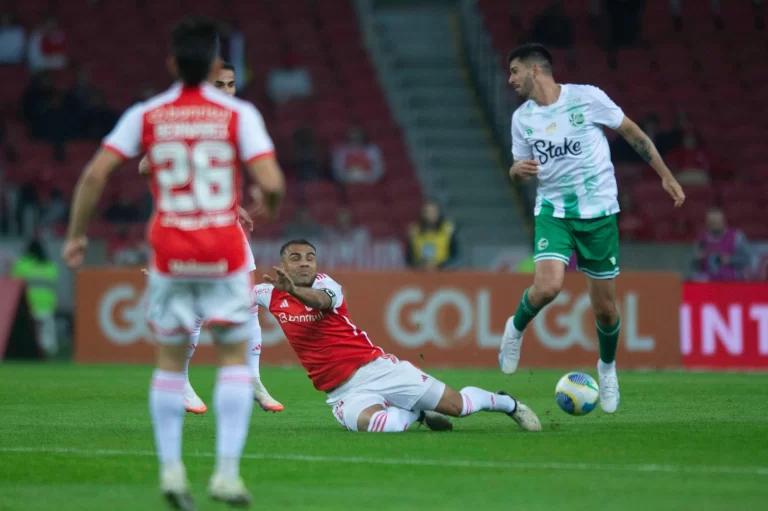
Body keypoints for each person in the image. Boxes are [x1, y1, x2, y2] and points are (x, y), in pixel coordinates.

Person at [61, 19, 286, 509]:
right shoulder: (238, 113)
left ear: (171, 64)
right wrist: (269, 202)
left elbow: (96, 174)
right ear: (213, 65)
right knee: (230, 359)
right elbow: (271, 180)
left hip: (170, 251)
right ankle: (226, 475)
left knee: (168, 362)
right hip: (222, 251)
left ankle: (170, 469)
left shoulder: (149, 113)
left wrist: (77, 236)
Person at [502, 43, 685, 414]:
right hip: (553, 211)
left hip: (599, 213)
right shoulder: (522, 118)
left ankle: (607, 368)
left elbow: (633, 134)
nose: (510, 80)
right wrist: (516, 171)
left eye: (515, 71)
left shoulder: (587, 98)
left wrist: (665, 176)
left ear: (535, 70)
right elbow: (518, 167)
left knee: (604, 309)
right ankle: (515, 329)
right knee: (549, 286)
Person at [255, 240, 542, 434]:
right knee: (382, 426)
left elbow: (319, 301)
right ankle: (418, 413)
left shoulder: (328, 285)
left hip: (378, 370)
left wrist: (292, 290)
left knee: (460, 407)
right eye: (295, 258)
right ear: (282, 264)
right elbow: (232, 302)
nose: (305, 263)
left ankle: (508, 404)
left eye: (310, 258)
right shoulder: (268, 294)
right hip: (342, 393)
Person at [139, 61, 284, 415]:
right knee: (197, 312)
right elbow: (146, 166)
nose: (227, 91)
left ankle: (252, 379)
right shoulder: (191, 119)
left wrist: (233, 206)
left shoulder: (234, 121)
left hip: (225, 225)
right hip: (192, 229)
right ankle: (183, 383)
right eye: (219, 84)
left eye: (231, 85)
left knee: (247, 303)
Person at [12, 238, 58, 356]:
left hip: (28, 305)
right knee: (47, 334)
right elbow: (54, 287)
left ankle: (29, 353)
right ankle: (47, 355)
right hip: (46, 305)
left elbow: (13, 285)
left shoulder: (21, 265)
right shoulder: (50, 267)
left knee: (29, 333)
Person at [691, 208, 751, 282]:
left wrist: (730, 260)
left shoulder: (736, 236)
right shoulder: (701, 239)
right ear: (707, 223)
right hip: (708, 285)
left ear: (724, 221)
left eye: (717, 222)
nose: (715, 225)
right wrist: (698, 259)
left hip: (733, 284)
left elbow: (747, 259)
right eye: (712, 222)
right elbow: (694, 265)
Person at [405, 200, 459, 270]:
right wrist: (419, 266)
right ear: (423, 214)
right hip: (420, 273)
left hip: (444, 272)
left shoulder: (448, 229)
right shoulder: (414, 231)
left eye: (433, 212)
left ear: (438, 213)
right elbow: (409, 258)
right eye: (427, 212)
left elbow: (456, 256)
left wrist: (441, 265)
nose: (430, 215)